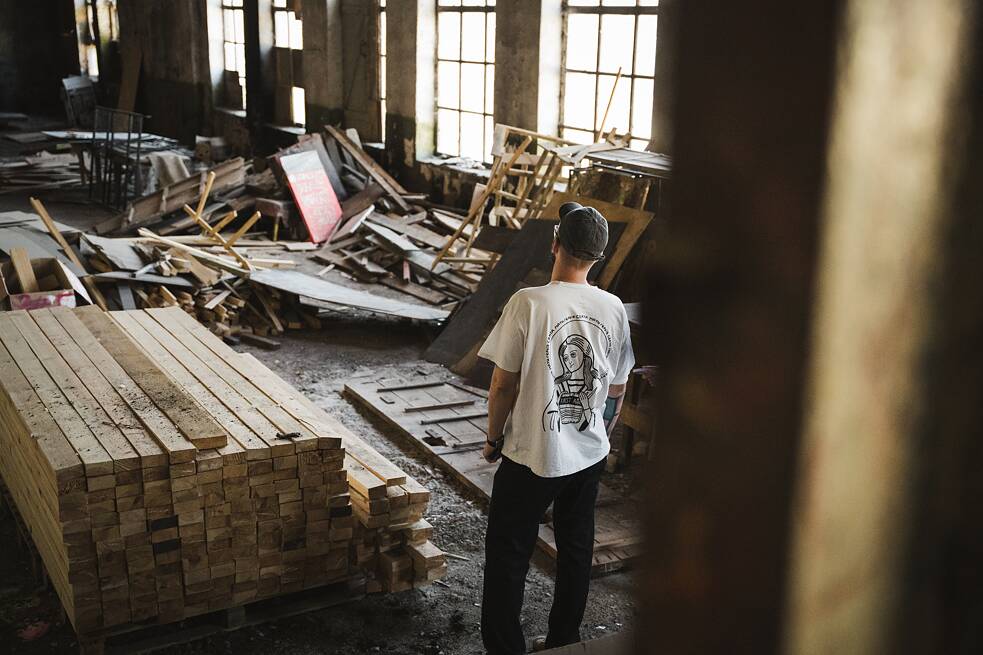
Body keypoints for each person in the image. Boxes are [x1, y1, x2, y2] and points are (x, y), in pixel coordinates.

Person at [477, 202, 636, 654]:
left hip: (531, 455)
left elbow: (502, 386)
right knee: (576, 549)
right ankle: (565, 639)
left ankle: (506, 647)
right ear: (597, 257)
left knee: (508, 555)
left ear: (555, 246)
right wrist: (599, 431)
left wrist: (493, 439)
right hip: (587, 457)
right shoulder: (613, 308)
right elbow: (616, 389)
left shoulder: (528, 302)